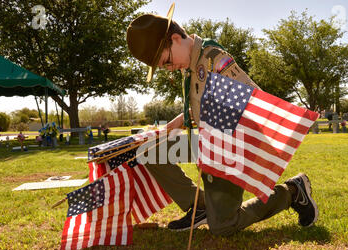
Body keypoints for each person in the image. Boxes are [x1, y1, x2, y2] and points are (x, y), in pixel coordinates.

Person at [125, 3, 319, 236]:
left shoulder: (214, 59)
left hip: (232, 147)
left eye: (166, 61)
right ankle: (200, 207)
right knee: (147, 149)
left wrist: (212, 147)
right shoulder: (189, 65)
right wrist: (167, 129)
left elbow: (250, 101)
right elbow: (196, 110)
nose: (168, 69)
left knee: (223, 227)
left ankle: (291, 192)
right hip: (209, 144)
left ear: (175, 38)